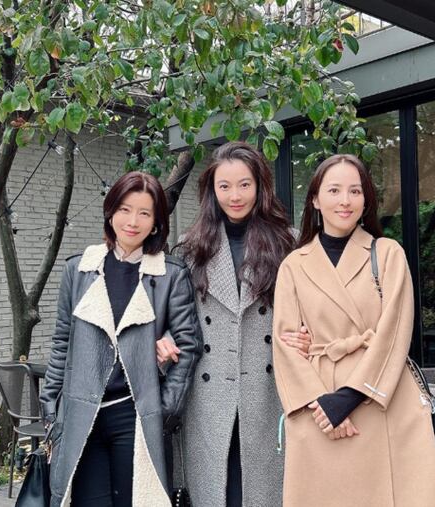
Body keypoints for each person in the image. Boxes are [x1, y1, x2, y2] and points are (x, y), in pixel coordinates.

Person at [272, 154, 435, 507]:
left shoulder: (387, 253)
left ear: (366, 199)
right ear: (315, 199)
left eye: (355, 191)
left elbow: (395, 331)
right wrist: (322, 404)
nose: (345, 200)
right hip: (318, 405)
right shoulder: (294, 264)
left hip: (382, 394)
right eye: (334, 190)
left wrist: (349, 397)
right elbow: (285, 343)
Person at [39, 171, 203, 507]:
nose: (133, 221)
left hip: (135, 414)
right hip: (82, 413)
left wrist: (165, 408)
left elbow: (188, 346)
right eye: (125, 209)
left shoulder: (170, 275)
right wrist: (51, 408)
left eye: (144, 213)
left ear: (156, 223)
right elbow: (62, 342)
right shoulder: (79, 269)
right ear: (110, 211)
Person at [158, 141, 307, 507]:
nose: (235, 196)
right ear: (212, 190)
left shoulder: (288, 243)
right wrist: (164, 340)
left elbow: (307, 310)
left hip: (268, 391)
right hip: (208, 395)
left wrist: (307, 335)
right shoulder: (190, 247)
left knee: (262, 491)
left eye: (244, 185)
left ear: (260, 186)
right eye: (224, 186)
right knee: (216, 490)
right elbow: (177, 315)